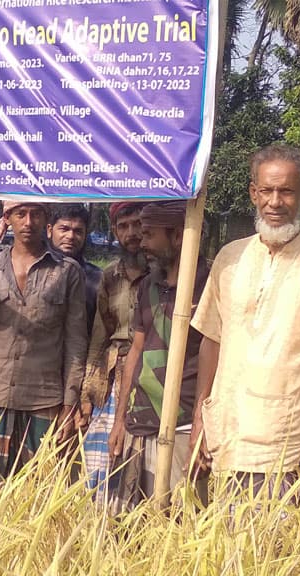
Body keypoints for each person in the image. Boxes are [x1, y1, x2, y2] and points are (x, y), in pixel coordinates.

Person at [190, 144, 300, 502]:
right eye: (266, 191)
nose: (275, 202)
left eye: (286, 191)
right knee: (222, 550)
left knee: (284, 551)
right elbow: (212, 340)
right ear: (253, 193)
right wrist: (199, 419)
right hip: (228, 436)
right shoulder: (229, 258)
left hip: (293, 441)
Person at [0, 200, 88, 479]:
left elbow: (75, 342)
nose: (28, 222)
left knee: (40, 487)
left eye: (36, 214)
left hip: (43, 399)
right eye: (20, 214)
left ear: (46, 219)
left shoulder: (67, 272)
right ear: (8, 218)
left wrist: (69, 405)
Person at [106, 201, 209, 509]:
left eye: (150, 234)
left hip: (183, 428)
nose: (143, 242)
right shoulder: (150, 284)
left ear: (178, 236)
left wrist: (202, 424)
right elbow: (136, 350)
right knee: (126, 523)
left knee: (180, 525)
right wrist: (120, 419)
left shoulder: (209, 284)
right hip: (140, 422)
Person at [77, 201, 148, 501]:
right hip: (114, 377)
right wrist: (88, 392)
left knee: (142, 459)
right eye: (123, 226)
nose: (131, 233)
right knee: (102, 460)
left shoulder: (165, 274)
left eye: (137, 224)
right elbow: (100, 337)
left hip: (150, 376)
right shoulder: (110, 276)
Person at [48, 203, 102, 334]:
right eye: (64, 229)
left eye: (78, 231)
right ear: (50, 231)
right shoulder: (34, 271)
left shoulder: (97, 278)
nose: (71, 236)